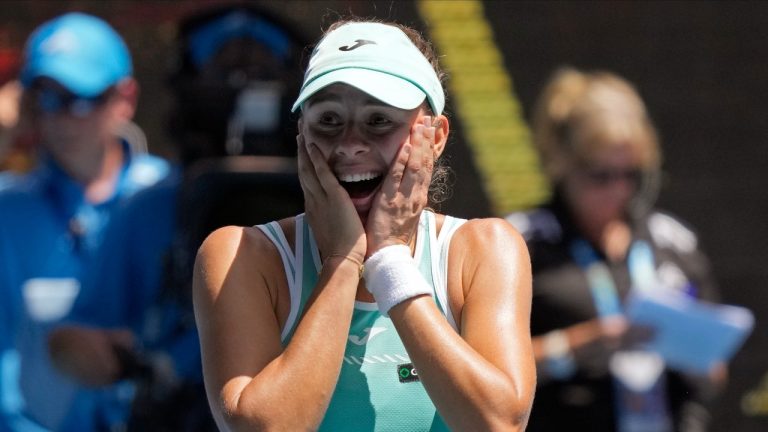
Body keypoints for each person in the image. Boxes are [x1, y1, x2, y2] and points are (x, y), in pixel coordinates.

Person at [192, 18, 536, 431]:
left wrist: (389, 260)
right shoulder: (239, 255)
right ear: (302, 133)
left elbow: (500, 423)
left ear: (435, 135)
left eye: (378, 121)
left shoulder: (485, 248)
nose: (351, 143)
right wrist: (343, 260)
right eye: (329, 120)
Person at [45, 5, 306, 431]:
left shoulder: (337, 207)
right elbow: (77, 338)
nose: (240, 77)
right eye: (221, 66)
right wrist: (114, 359)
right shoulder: (152, 207)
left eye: (260, 63)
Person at [505, 67, 724, 431]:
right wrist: (581, 344)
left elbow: (716, 374)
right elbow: (485, 367)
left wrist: (687, 349)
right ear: (562, 164)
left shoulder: (674, 241)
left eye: (631, 174)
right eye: (600, 175)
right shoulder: (518, 243)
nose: (619, 190)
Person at [0, 12, 169, 432]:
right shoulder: (8, 206)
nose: (63, 118)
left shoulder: (167, 196)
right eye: (46, 98)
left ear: (125, 98)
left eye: (83, 98)